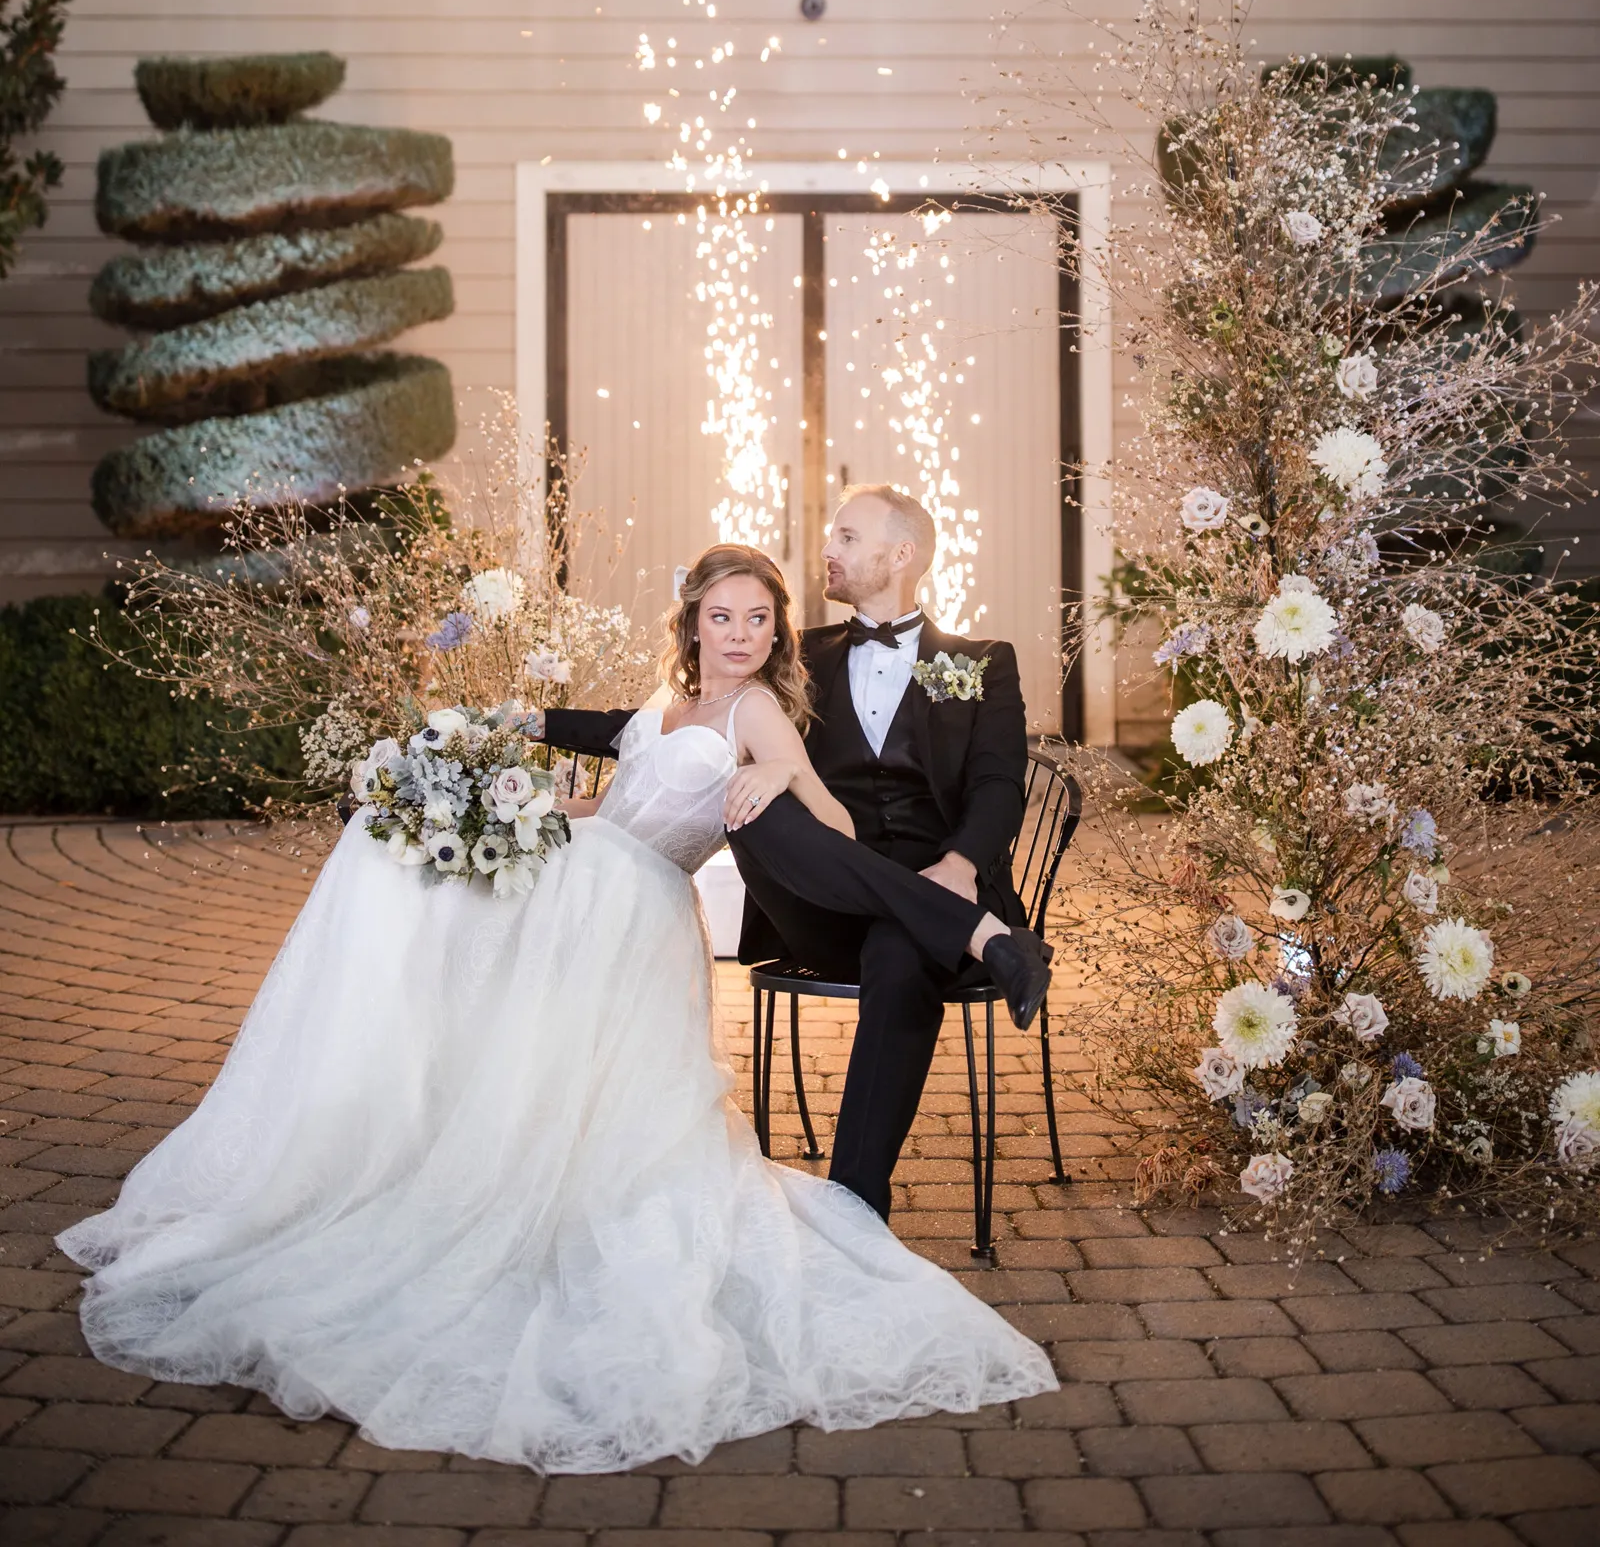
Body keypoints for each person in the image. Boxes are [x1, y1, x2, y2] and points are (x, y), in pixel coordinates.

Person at [58, 545, 1054, 1473]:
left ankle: (978, 939)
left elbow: (826, 824)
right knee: (418, 878)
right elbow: (605, 777)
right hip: (592, 866)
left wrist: (780, 771)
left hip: (632, 899)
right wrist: (490, 765)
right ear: (693, 625)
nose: (741, 635)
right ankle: (429, 1113)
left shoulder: (757, 710)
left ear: (775, 633)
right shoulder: (667, 701)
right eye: (723, 617)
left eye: (758, 618)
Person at [546, 485, 1052, 1223]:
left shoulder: (982, 661)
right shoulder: (800, 649)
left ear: (900, 554)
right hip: (820, 902)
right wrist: (781, 768)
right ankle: (993, 942)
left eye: (847, 537)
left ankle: (855, 1209)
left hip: (940, 889)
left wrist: (963, 865)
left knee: (903, 951)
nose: (828, 551)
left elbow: (1001, 786)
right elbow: (680, 728)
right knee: (745, 799)